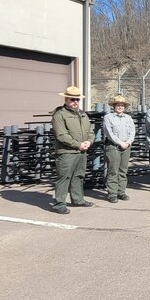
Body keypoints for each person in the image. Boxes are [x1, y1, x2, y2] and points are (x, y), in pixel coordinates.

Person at [50, 86, 95, 214]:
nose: (75, 102)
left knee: (79, 176)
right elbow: (61, 135)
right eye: (72, 99)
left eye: (77, 99)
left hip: (82, 151)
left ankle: (78, 199)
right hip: (66, 152)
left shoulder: (83, 114)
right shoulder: (59, 115)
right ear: (66, 99)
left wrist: (88, 142)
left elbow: (90, 131)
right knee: (64, 177)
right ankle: (59, 204)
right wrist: (78, 144)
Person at [103, 94, 136, 203]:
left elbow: (132, 132)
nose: (120, 107)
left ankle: (121, 192)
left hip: (126, 147)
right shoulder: (108, 117)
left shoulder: (128, 118)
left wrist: (128, 142)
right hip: (113, 147)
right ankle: (112, 193)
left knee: (123, 170)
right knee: (113, 171)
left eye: (122, 105)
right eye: (118, 105)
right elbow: (109, 133)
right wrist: (120, 142)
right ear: (114, 106)